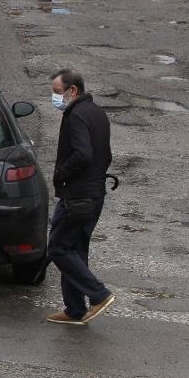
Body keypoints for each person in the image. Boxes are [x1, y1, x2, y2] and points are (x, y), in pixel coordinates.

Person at [45, 68, 115, 326]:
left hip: (77, 196)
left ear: (72, 90)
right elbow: (105, 155)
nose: (55, 98)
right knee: (75, 248)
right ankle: (74, 309)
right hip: (94, 194)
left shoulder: (75, 115)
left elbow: (83, 154)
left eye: (57, 92)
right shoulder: (96, 112)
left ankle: (99, 294)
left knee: (58, 247)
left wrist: (62, 174)